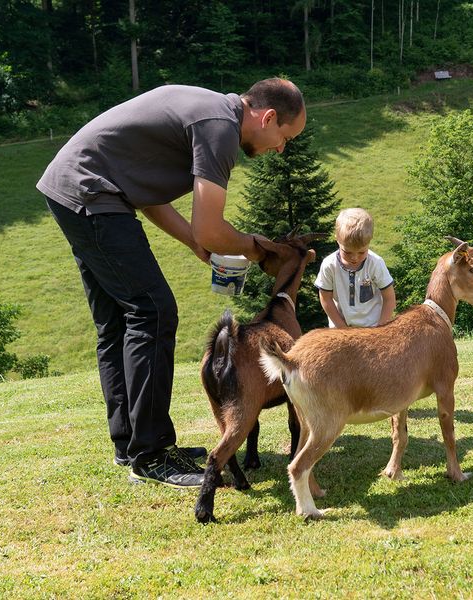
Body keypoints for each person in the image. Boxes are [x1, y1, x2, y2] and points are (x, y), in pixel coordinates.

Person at [37, 78, 306, 488]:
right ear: (267, 117)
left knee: (117, 323)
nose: (281, 148)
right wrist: (257, 247)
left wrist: (197, 244)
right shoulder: (220, 128)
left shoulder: (209, 112)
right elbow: (212, 228)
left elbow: (149, 195)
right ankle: (152, 454)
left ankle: (131, 445)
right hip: (92, 192)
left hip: (75, 185)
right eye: (284, 137)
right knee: (153, 310)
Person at [314, 208, 395, 328]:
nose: (355, 258)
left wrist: (380, 329)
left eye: (362, 252)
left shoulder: (375, 263)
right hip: (340, 330)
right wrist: (343, 329)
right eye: (347, 252)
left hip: (372, 329)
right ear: (337, 239)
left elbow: (389, 299)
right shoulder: (329, 265)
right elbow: (326, 299)